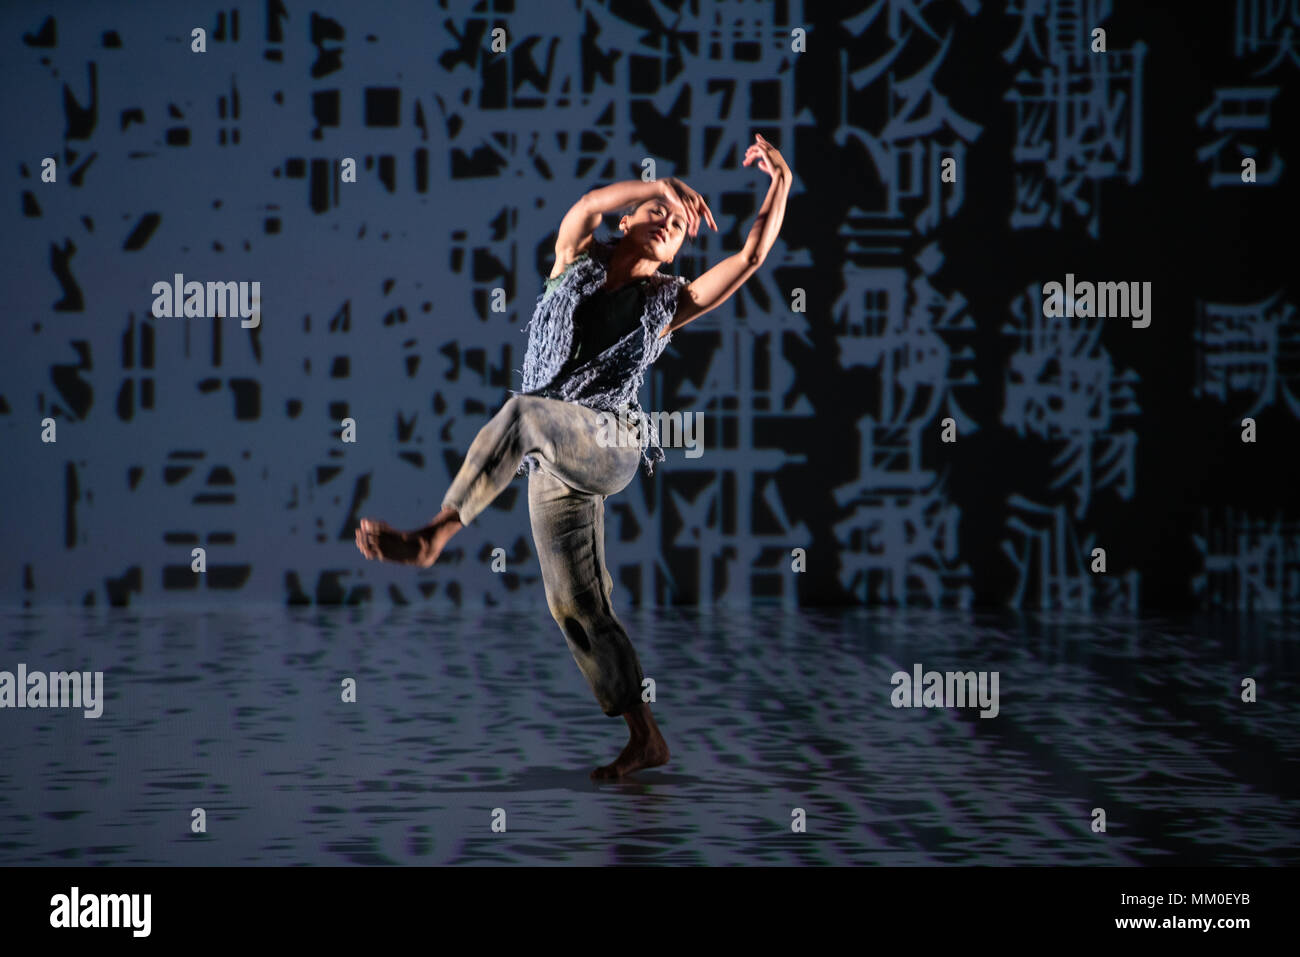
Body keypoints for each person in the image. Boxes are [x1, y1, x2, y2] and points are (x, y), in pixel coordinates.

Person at [356, 134, 791, 778]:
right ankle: (646, 737)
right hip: (551, 452)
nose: (668, 222)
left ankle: (434, 537)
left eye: (677, 229)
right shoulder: (574, 261)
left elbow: (751, 256)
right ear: (631, 218)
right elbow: (585, 208)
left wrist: (779, 183)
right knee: (575, 603)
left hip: (609, 441)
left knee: (522, 412)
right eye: (657, 213)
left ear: (676, 254)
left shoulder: (667, 304)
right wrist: (656, 186)